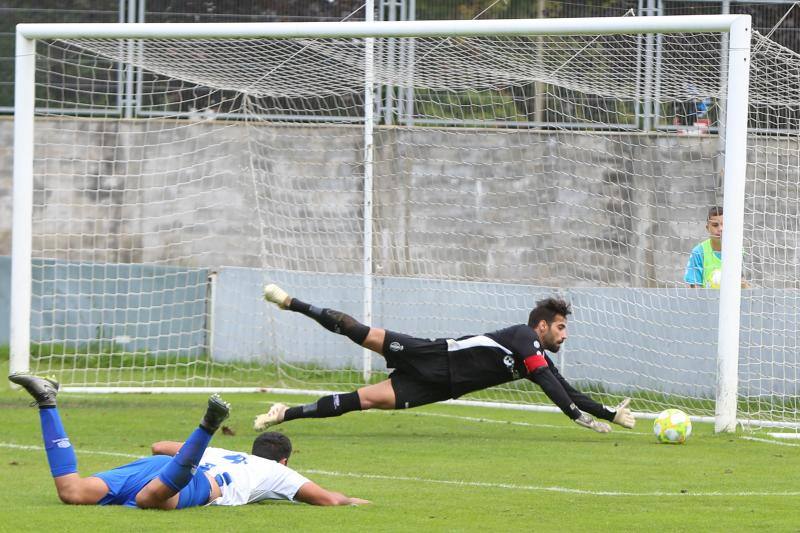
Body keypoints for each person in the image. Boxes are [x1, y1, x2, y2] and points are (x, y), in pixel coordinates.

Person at [254, 285, 636, 434]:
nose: (564, 335)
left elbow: (565, 388)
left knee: (362, 400)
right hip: (435, 354)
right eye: (560, 327)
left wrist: (608, 414)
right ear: (540, 327)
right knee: (361, 331)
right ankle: (293, 303)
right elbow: (555, 388)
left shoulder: (535, 357)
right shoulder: (523, 338)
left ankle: (285, 413)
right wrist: (573, 414)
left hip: (438, 386)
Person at [8, 373, 368, 509]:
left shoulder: (230, 453)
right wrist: (357, 501)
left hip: (158, 467)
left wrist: (190, 452)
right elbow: (328, 500)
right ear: (284, 461)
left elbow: (159, 447)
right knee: (152, 500)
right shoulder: (279, 473)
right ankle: (208, 423)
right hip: (200, 484)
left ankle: (47, 401)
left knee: (71, 491)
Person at [684, 206, 748, 289]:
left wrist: (743, 285)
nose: (720, 229)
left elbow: (745, 285)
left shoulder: (738, 251)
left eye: (724, 224)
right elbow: (692, 287)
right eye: (715, 225)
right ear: (708, 228)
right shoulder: (699, 252)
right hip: (706, 300)